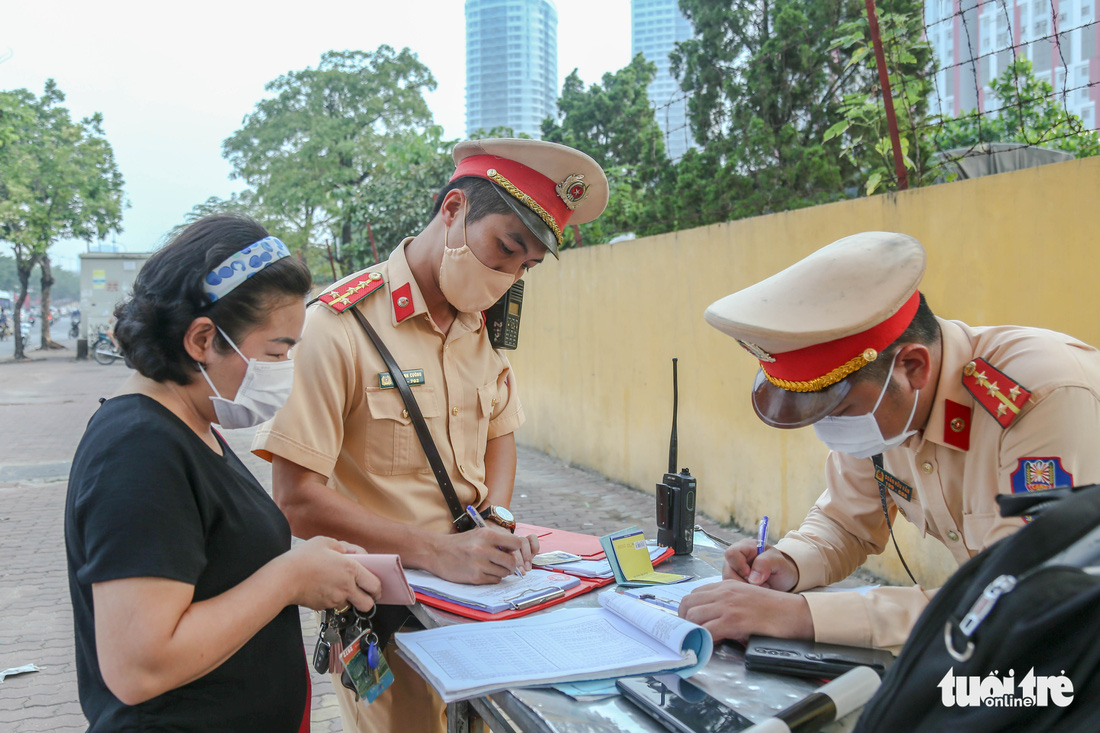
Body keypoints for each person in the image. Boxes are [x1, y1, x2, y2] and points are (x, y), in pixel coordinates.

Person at [252, 138, 608, 732]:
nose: (507, 276)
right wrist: (439, 552)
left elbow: (500, 431)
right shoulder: (338, 327)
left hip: (481, 602)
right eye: (505, 249)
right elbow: (294, 499)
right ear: (452, 210)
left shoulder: (482, 329)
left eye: (525, 268)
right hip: (386, 616)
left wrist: (496, 518)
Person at [680, 231, 1100, 652]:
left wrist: (799, 616)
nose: (831, 432)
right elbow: (846, 521)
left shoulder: (1041, 398)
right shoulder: (891, 408)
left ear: (914, 367)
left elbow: (1024, 593)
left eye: (840, 412)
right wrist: (786, 564)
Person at [65, 214, 382, 732]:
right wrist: (289, 578)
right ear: (202, 340)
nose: (284, 369)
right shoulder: (139, 450)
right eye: (276, 350)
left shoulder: (193, 423)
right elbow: (139, 667)